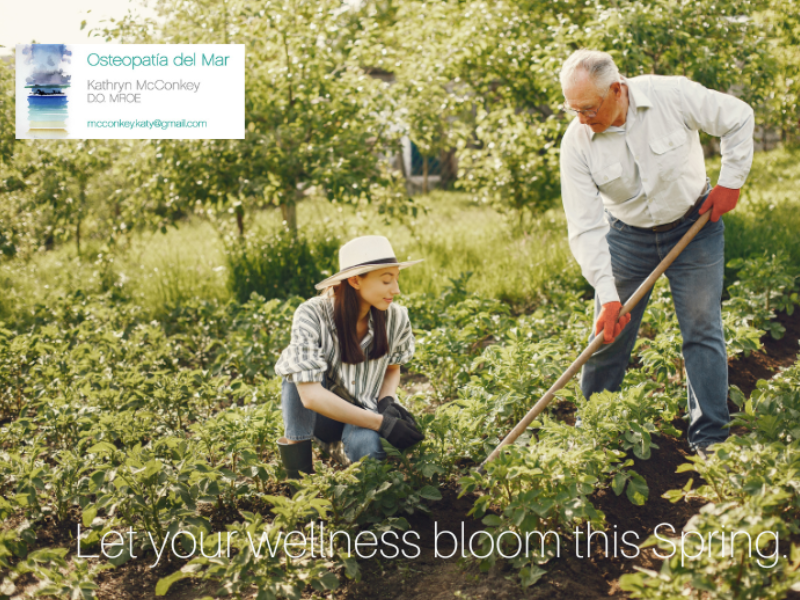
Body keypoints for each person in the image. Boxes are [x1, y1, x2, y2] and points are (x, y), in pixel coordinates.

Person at [558, 49, 754, 460]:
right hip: (626, 239)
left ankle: (710, 439)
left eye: (588, 109)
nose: (581, 119)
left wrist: (730, 182)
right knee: (608, 335)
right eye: (572, 109)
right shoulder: (577, 142)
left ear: (617, 89)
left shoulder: (671, 95)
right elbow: (586, 225)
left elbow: (738, 116)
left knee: (702, 330)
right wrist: (608, 293)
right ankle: (593, 433)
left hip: (694, 226)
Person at [274, 235, 425, 480]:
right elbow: (310, 396)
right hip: (321, 417)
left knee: (368, 451)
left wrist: (386, 402)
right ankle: (298, 480)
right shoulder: (312, 314)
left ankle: (345, 458)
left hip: (365, 410)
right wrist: (381, 424)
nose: (396, 290)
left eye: (397, 279)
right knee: (295, 374)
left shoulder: (396, 318)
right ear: (355, 280)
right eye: (386, 280)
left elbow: (392, 368)